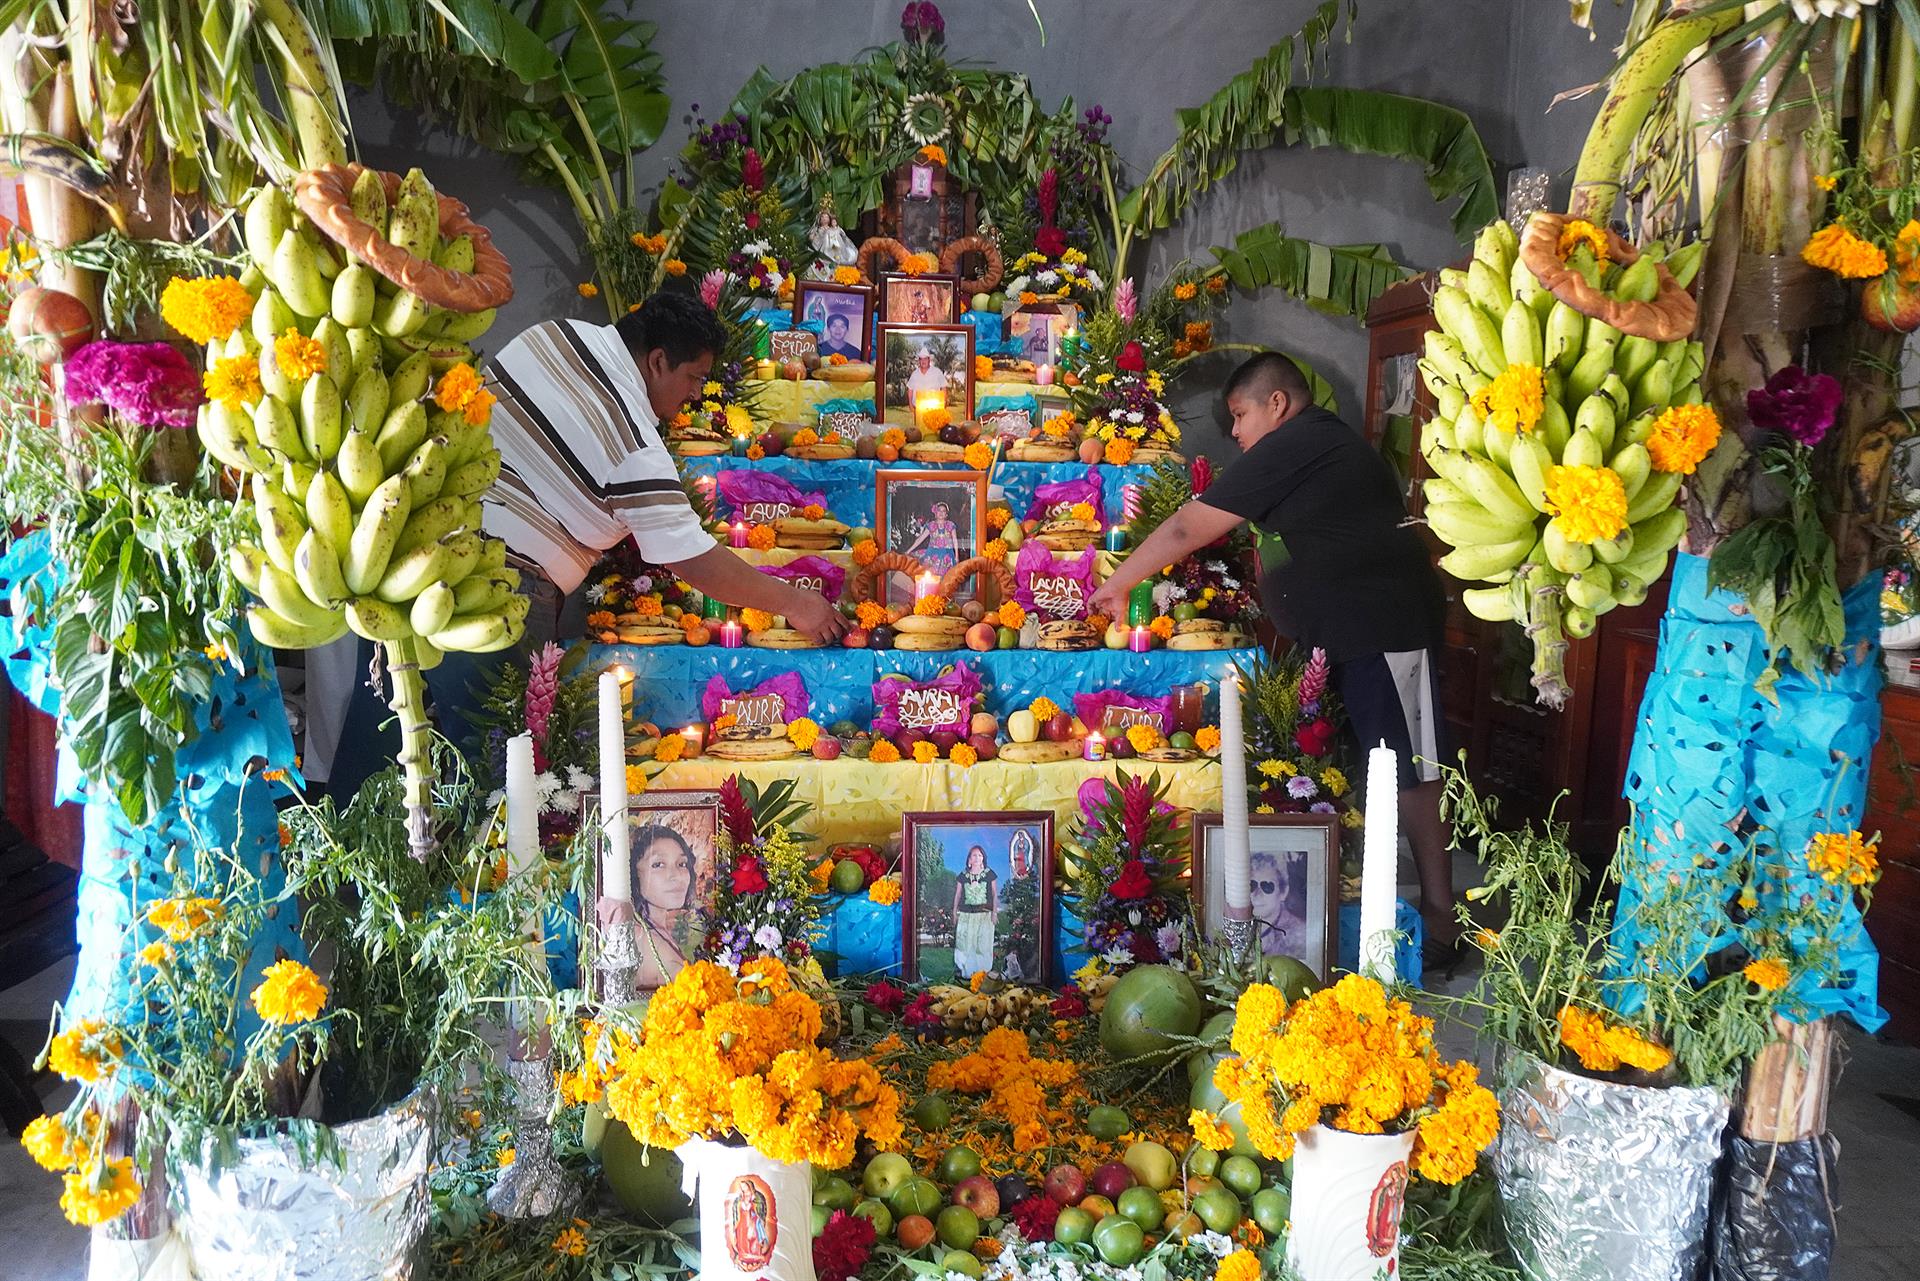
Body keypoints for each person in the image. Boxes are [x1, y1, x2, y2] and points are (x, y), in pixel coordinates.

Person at [1089, 351, 1462, 962]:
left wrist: (1119, 582)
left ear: (1278, 405)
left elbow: (1190, 528)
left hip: (1385, 628)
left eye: (1240, 414)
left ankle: (1443, 919)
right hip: (1351, 632)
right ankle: (1370, 902)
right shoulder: (1310, 446)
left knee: (1410, 771)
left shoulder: (1301, 441)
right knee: (1374, 769)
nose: (1235, 432)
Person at [632, 823, 697, 989]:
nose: (675, 876)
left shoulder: (654, 929)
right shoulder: (645, 939)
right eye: (658, 864)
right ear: (633, 873)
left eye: (682, 864)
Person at [950, 845, 998, 978]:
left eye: (980, 855)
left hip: (984, 916)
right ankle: (966, 973)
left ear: (983, 859)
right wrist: (954, 912)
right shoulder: (962, 876)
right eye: (974, 855)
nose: (977, 858)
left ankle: (983, 974)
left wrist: (994, 913)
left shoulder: (990, 874)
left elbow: (994, 895)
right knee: (965, 943)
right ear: (969, 860)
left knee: (983, 944)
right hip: (966, 916)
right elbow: (958, 895)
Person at [1249, 850, 1308, 957]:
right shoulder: (1238, 927)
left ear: (1283, 892)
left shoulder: (1300, 936)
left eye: (1267, 886)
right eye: (1252, 885)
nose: (1257, 895)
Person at [904, 500, 961, 575]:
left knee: (946, 579)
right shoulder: (931, 525)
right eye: (939, 510)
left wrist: (956, 556)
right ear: (935, 513)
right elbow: (920, 539)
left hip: (947, 555)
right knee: (931, 577)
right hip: (932, 555)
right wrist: (908, 551)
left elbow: (955, 540)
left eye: (943, 511)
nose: (941, 513)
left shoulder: (950, 525)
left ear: (946, 514)